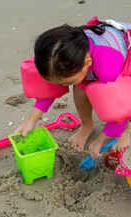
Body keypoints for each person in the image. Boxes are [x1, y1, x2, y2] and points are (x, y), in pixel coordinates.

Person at [15, 17, 131, 160]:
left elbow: (121, 105)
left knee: (117, 101)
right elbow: (49, 90)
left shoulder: (107, 66)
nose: (63, 86)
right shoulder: (61, 57)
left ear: (87, 64)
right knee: (80, 89)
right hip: (96, 51)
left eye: (67, 82)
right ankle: (87, 125)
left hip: (123, 53)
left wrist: (100, 141)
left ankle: (125, 131)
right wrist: (31, 121)